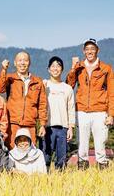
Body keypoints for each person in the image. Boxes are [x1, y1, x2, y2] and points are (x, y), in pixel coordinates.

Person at [66, 38, 114, 170]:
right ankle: (82, 173)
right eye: (87, 49)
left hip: (100, 111)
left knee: (100, 145)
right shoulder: (79, 67)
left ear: (97, 50)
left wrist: (111, 115)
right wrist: (73, 69)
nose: (90, 51)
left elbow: (112, 93)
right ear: (83, 51)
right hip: (81, 111)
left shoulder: (106, 68)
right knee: (82, 146)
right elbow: (69, 85)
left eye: (92, 48)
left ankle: (103, 174)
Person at [0, 51, 47, 149]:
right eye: (19, 60)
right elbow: (0, 89)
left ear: (29, 62)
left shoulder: (37, 81)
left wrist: (42, 124)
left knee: (30, 151)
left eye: (25, 60)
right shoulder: (10, 78)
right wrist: (4, 70)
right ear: (15, 63)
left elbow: (42, 104)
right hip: (13, 122)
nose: (22, 63)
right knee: (12, 150)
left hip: (30, 123)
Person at [40, 56, 75, 172]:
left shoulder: (68, 88)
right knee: (45, 156)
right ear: (48, 69)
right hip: (47, 127)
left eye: (58, 66)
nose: (55, 69)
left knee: (62, 158)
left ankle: (60, 181)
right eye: (53, 66)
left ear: (62, 69)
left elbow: (71, 109)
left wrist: (70, 127)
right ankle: (44, 180)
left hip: (63, 128)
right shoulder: (44, 85)